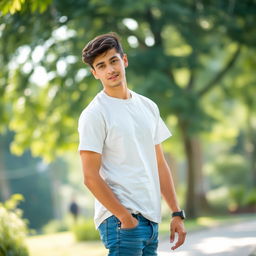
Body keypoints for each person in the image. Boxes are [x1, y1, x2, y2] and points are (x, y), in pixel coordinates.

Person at [78, 32, 186, 256]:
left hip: (150, 221)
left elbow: (159, 163)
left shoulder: (148, 107)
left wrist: (176, 212)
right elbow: (90, 176)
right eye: (101, 65)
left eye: (113, 60)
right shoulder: (95, 114)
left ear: (124, 60)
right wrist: (125, 218)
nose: (110, 69)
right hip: (121, 223)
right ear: (94, 73)